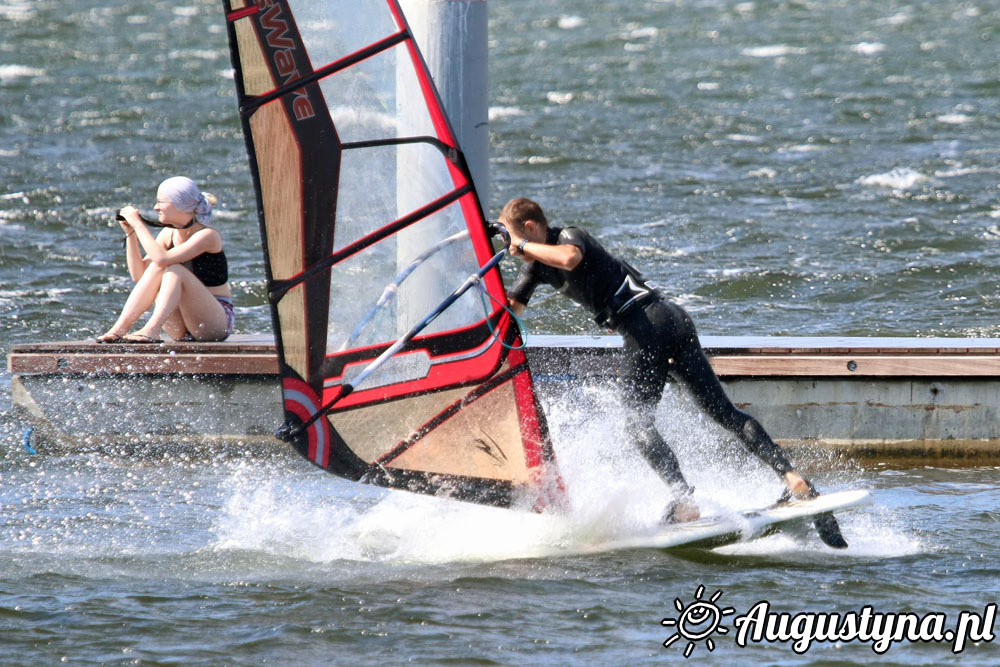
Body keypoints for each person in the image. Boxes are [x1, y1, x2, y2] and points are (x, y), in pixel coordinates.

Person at [499, 197, 816, 524]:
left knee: (637, 425)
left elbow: (569, 258)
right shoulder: (536, 267)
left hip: (648, 325)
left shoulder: (569, 236)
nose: (512, 250)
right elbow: (512, 310)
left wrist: (519, 243)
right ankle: (793, 479)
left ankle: (685, 500)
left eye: (514, 239)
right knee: (724, 413)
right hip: (669, 319)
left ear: (529, 227)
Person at [96, 176, 234, 344]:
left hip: (214, 324)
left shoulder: (208, 236)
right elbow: (140, 276)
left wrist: (139, 224)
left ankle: (152, 329)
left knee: (173, 268)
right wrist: (130, 233)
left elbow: (162, 258)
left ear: (179, 205)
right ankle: (120, 328)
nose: (155, 208)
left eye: (160, 202)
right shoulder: (168, 234)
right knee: (157, 268)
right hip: (181, 326)